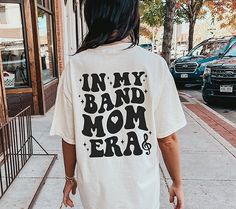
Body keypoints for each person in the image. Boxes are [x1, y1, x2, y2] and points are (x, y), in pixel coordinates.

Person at [50, 0, 187, 209]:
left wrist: (69, 177)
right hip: (141, 193)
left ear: (92, 15)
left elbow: (69, 138)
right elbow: (168, 139)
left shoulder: (74, 67)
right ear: (132, 15)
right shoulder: (154, 65)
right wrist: (177, 183)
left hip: (95, 193)